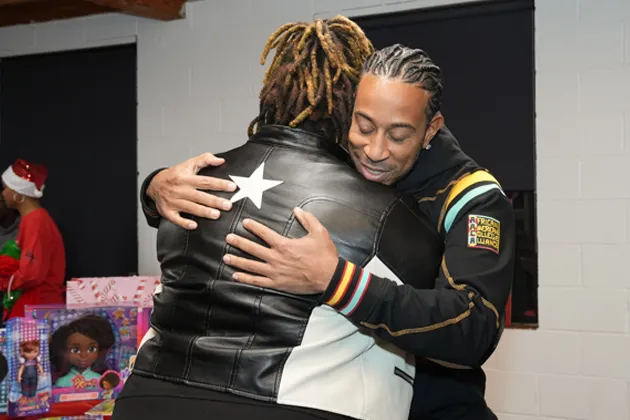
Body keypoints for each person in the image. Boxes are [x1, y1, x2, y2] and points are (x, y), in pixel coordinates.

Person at [141, 42, 516, 419]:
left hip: (436, 410)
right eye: (363, 126)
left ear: (430, 129)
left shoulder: (472, 197)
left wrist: (337, 281)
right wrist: (155, 188)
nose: (374, 150)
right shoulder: (342, 161)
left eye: (398, 135)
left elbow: (475, 328)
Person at [0, 159, 66, 319]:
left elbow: (31, 273)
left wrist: (6, 282)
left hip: (40, 308)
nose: (3, 194)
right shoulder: (33, 219)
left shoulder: (36, 221)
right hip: (38, 306)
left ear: (18, 193)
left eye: (5, 189)